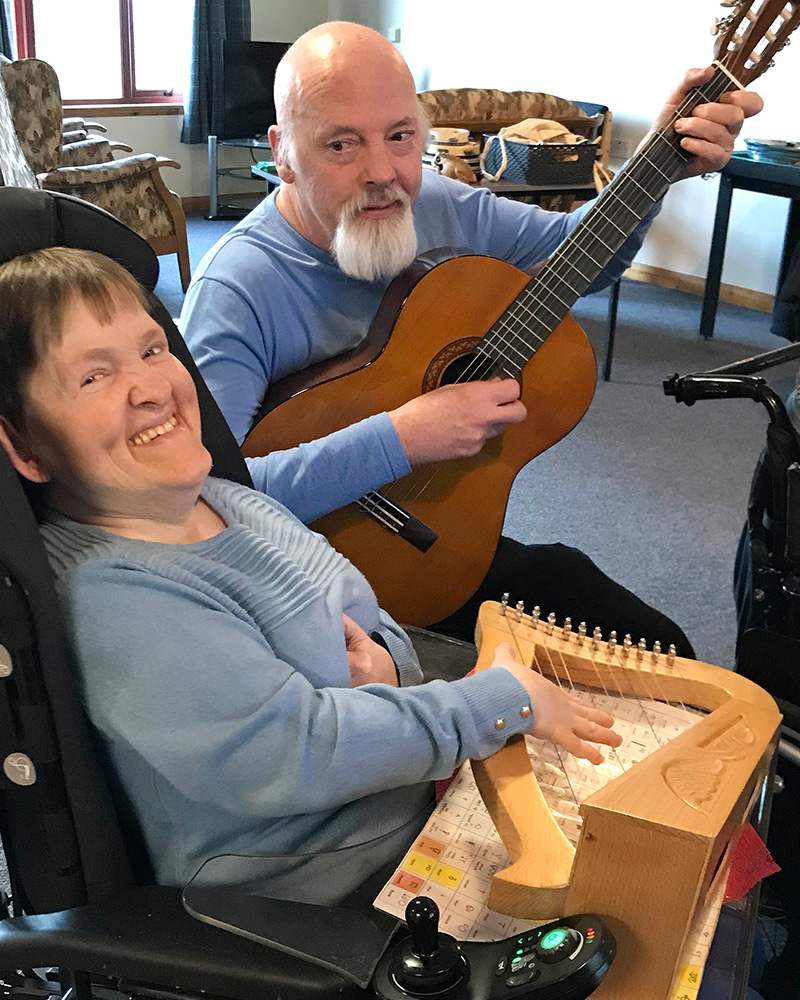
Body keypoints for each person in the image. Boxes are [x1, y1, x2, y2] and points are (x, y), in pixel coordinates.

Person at [0, 246, 621, 902]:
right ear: (27, 449)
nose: (153, 387)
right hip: (319, 899)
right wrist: (493, 701)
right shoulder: (114, 598)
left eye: (153, 350)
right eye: (94, 377)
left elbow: (369, 621)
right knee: (624, 914)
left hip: (402, 798)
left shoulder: (226, 497)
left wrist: (383, 669)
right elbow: (295, 752)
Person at [181, 22, 763, 657]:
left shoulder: (435, 203)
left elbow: (580, 257)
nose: (383, 172)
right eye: (341, 145)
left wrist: (657, 163)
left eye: (400, 136)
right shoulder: (236, 288)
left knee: (658, 649)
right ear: (283, 154)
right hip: (294, 588)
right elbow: (203, 494)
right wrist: (403, 439)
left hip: (437, 547)